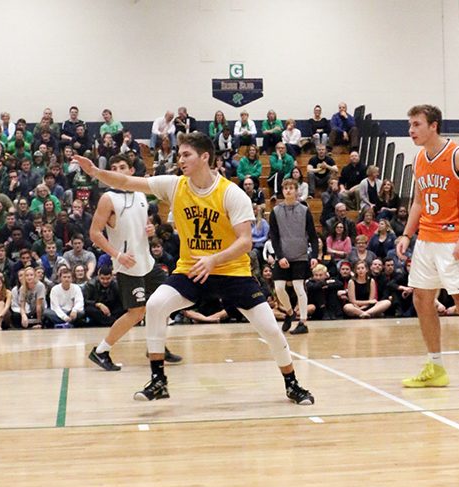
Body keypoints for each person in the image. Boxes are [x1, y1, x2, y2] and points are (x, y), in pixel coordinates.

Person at [73, 131, 314, 405]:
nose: (180, 159)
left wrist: (213, 260)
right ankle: (158, 380)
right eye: (179, 154)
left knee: (270, 329)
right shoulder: (175, 185)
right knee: (154, 306)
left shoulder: (231, 194)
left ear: (205, 157)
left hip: (231, 271)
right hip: (191, 270)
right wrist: (94, 172)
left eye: (186, 154)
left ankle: (292, 384)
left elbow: (246, 242)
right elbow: (127, 180)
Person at [395, 104, 459, 394]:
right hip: (426, 239)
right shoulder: (419, 159)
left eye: (416, 124)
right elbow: (417, 202)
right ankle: (435, 366)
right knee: (422, 300)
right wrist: (406, 234)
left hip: (453, 241)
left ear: (433, 125)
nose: (411, 130)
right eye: (410, 125)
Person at [86, 154, 181, 371]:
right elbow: (94, 233)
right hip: (127, 264)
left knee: (165, 302)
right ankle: (101, 350)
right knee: (136, 313)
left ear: (131, 171)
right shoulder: (108, 199)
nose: (118, 171)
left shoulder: (140, 193)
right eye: (114, 167)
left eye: (122, 167)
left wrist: (150, 229)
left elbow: (143, 224)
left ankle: (156, 347)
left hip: (147, 261)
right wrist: (117, 255)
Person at [269, 178, 319, 335]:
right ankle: (290, 313)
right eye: (286, 188)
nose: (289, 190)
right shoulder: (275, 211)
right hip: (283, 255)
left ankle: (303, 322)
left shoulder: (304, 210)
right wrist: (280, 256)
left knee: (299, 287)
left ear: (297, 190)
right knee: (279, 288)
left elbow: (312, 234)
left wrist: (315, 254)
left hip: (300, 255)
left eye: (291, 188)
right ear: (282, 191)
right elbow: (274, 237)